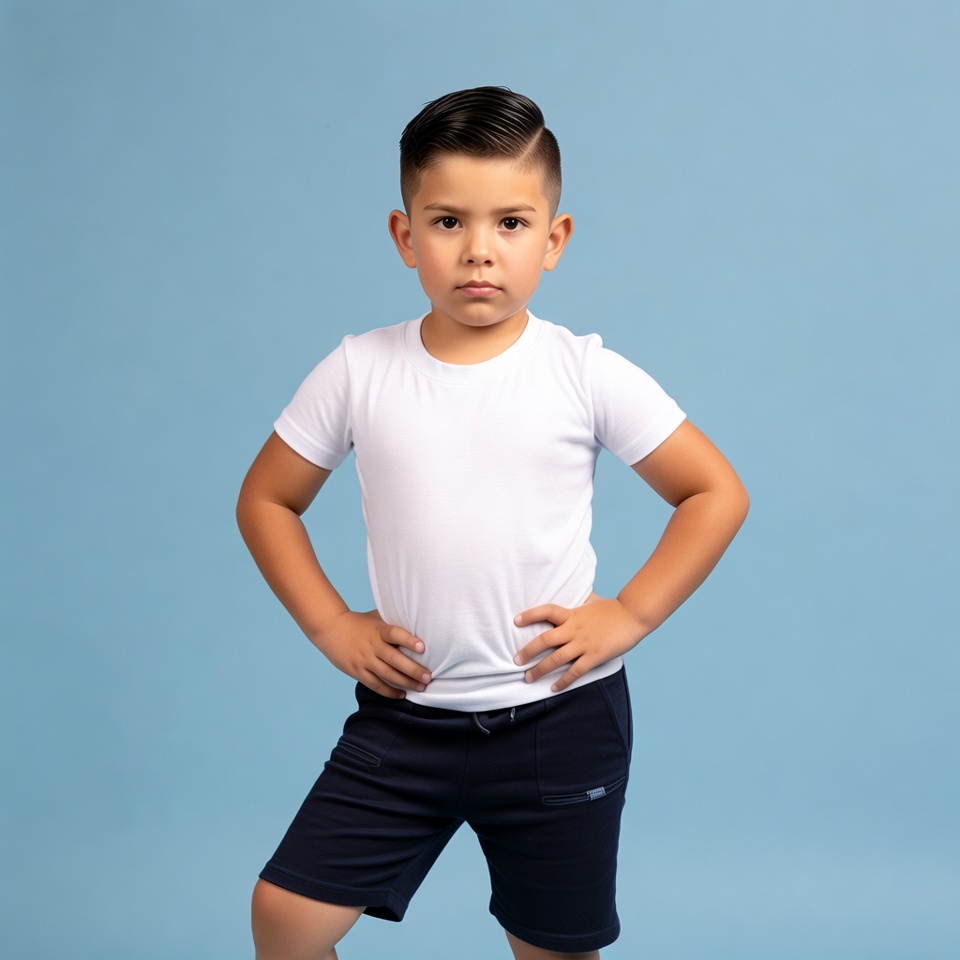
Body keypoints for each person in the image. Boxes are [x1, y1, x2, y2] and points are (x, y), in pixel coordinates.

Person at [236, 86, 749, 960]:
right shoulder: (359, 370)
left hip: (560, 722)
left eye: (511, 223)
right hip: (406, 719)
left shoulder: (583, 372)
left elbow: (714, 492)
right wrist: (330, 624)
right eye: (448, 222)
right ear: (406, 236)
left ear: (554, 239)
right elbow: (266, 500)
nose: (479, 250)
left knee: (553, 949)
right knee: (285, 917)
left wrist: (629, 614)